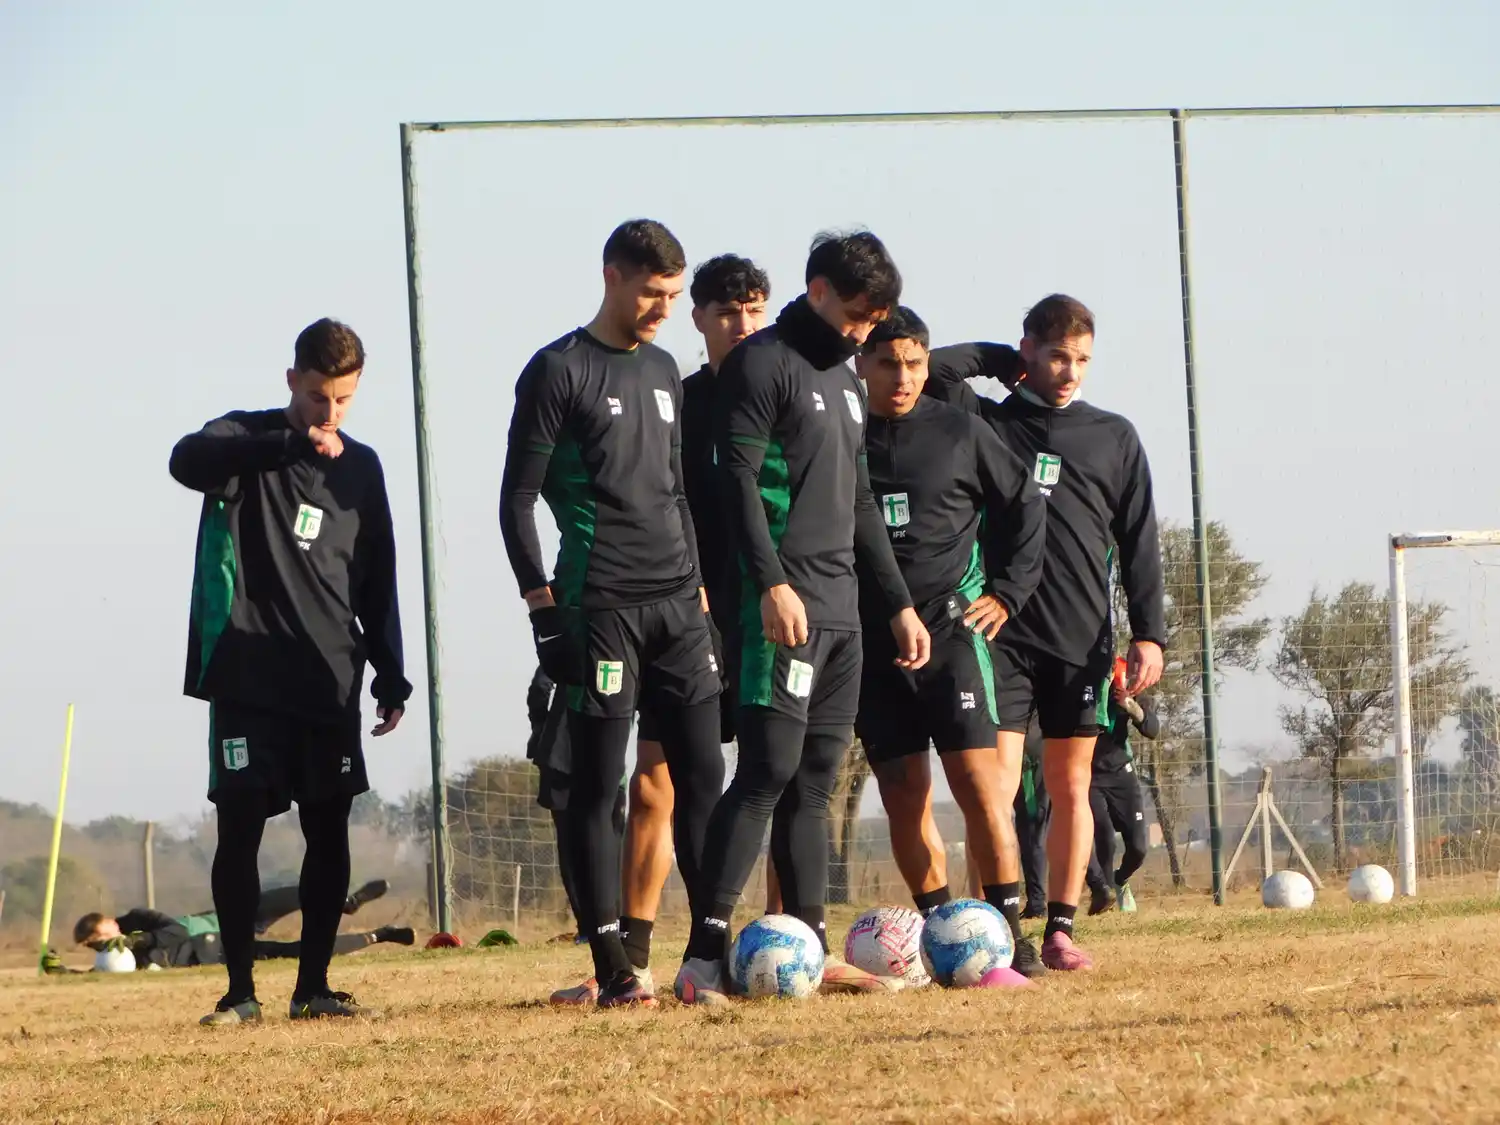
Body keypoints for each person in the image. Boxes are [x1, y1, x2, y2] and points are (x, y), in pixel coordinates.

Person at [676, 230, 931, 1004]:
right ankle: (701, 957)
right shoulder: (763, 364)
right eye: (856, 315)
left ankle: (811, 950)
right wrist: (770, 584)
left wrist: (898, 605)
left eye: (873, 319)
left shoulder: (848, 380)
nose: (862, 332)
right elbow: (738, 487)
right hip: (780, 609)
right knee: (764, 773)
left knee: (816, 784)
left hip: (844, 612)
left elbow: (855, 501)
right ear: (817, 289)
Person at [500, 219, 724, 1010]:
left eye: (672, 294)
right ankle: (614, 966)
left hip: (677, 607)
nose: (663, 308)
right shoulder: (559, 369)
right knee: (596, 787)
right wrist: (543, 609)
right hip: (600, 609)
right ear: (612, 277)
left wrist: (697, 586)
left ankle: (709, 949)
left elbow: (675, 491)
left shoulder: (666, 368)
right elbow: (517, 500)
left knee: (704, 773)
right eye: (652, 293)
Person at [169, 318, 411, 1025]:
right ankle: (239, 991)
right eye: (315, 397)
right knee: (239, 824)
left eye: (340, 400)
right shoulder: (244, 441)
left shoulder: (362, 467)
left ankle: (314, 987)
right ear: (291, 382)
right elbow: (185, 461)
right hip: (246, 674)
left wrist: (391, 674)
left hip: (328, 677)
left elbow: (378, 577)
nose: (327, 414)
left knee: (328, 829)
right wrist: (284, 443)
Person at [925, 295, 1165, 972]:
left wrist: (1150, 634)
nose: (1069, 370)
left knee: (1071, 780)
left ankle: (1060, 928)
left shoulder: (1113, 436)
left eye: (1082, 359)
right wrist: (997, 362)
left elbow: (1139, 540)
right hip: (999, 634)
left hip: (1082, 637)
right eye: (1057, 354)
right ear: (1029, 347)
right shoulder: (987, 423)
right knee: (990, 787)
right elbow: (935, 373)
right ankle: (992, 931)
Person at [850, 306, 1048, 983]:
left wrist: (1009, 592)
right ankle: (941, 932)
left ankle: (1012, 936)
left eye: (914, 363)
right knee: (903, 792)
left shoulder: (962, 428)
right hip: (874, 646)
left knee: (981, 786)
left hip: (953, 634)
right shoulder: (839, 433)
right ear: (862, 365)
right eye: (887, 363)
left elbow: (1026, 503)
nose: (902, 377)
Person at [611, 255, 788, 995]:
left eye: (753, 310)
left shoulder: (789, 393)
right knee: (656, 783)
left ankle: (785, 937)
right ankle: (634, 958)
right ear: (700, 319)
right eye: (725, 312)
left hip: (771, 616)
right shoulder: (676, 401)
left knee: (775, 774)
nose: (741, 325)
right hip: (682, 618)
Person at [73, 880, 409, 969]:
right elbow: (100, 975)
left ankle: (345, 902)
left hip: (233, 916)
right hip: (223, 948)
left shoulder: (135, 919)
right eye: (95, 946)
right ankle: (382, 935)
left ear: (108, 924)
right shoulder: (120, 960)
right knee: (302, 952)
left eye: (102, 938)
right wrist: (63, 973)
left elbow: (175, 931)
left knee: (298, 893)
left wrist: (135, 940)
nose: (104, 946)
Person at [525, 666, 626, 943]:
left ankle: (589, 927)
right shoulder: (625, 641)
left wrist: (542, 728)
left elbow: (539, 688)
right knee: (609, 842)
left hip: (560, 755)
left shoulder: (566, 640)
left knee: (571, 847)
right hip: (606, 760)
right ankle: (611, 923)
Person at [1084, 658, 1160, 914]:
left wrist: (1129, 705)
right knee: (1104, 836)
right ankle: (1103, 897)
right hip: (1090, 776)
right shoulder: (1084, 687)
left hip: (1121, 774)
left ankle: (1119, 880)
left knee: (1138, 848)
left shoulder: (1131, 689)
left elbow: (1152, 729)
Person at [1015, 719, 1049, 918]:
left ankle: (1037, 903)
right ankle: (1098, 885)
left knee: (1031, 829)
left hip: (1030, 758)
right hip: (1042, 750)